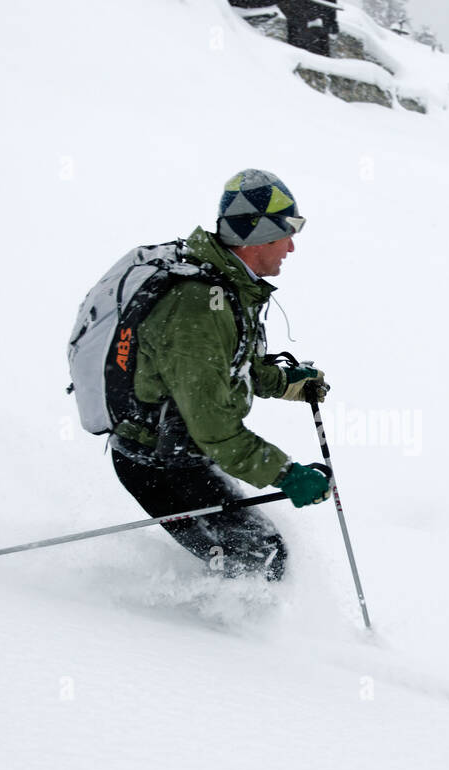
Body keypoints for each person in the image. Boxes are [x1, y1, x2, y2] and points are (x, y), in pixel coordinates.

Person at [107, 169, 331, 581]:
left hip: (181, 451)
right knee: (261, 560)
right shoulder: (197, 307)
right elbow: (214, 427)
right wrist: (287, 474)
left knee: (261, 556)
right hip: (156, 465)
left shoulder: (226, 285)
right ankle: (193, 639)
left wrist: (288, 384)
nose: (293, 246)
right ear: (258, 235)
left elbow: (234, 366)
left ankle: (224, 632)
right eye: (288, 231)